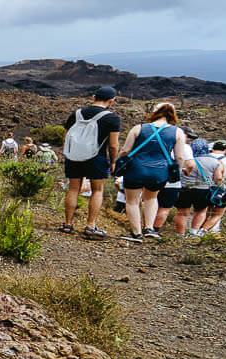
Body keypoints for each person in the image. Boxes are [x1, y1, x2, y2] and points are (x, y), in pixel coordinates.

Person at [117, 101, 193, 242]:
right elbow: (180, 156)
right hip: (159, 172)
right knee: (151, 198)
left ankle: (136, 233)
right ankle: (149, 228)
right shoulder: (178, 132)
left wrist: (118, 162)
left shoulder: (138, 128)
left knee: (132, 201)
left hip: (136, 170)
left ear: (154, 112)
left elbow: (126, 150)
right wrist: (176, 170)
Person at [59, 86, 121, 240]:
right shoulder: (112, 118)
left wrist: (69, 153)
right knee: (97, 191)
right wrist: (113, 162)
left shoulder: (77, 114)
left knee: (73, 189)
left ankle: (67, 224)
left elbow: (66, 137)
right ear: (111, 101)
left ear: (93, 97)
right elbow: (113, 145)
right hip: (97, 158)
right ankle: (90, 225)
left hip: (74, 157)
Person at [177, 138, 226, 236]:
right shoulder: (214, 161)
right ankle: (194, 232)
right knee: (200, 211)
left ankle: (180, 234)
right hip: (203, 190)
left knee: (182, 213)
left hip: (184, 189)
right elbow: (218, 178)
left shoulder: (185, 160)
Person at [204, 139, 226, 234]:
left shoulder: (203, 158)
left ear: (212, 147)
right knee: (218, 213)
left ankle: (195, 230)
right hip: (221, 189)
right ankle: (206, 231)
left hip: (203, 187)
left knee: (203, 211)